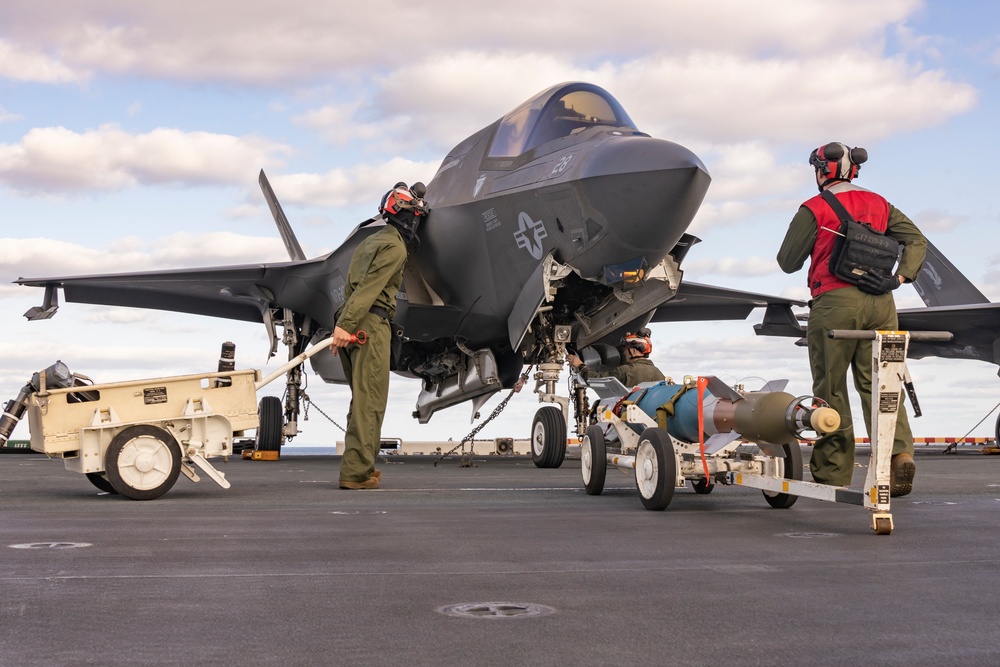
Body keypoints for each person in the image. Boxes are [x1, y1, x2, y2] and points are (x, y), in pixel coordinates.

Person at [777, 142, 926, 496]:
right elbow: (916, 241)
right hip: (882, 303)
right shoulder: (880, 204)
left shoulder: (814, 208)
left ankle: (833, 472)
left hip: (835, 303)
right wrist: (899, 278)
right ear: (854, 170)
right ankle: (897, 455)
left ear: (821, 171)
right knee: (882, 383)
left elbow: (787, 261)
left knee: (830, 388)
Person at [332, 181, 428, 489]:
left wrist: (343, 324)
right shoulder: (396, 247)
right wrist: (346, 326)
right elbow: (370, 288)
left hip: (353, 322)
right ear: (405, 216)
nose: (417, 220)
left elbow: (352, 286)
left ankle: (360, 465)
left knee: (360, 400)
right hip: (368, 325)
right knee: (370, 402)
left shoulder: (370, 241)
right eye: (415, 213)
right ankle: (356, 473)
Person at [567, 328, 665, 387]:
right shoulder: (659, 374)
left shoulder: (625, 371)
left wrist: (580, 366)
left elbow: (596, 380)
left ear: (634, 351)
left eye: (626, 349)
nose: (625, 352)